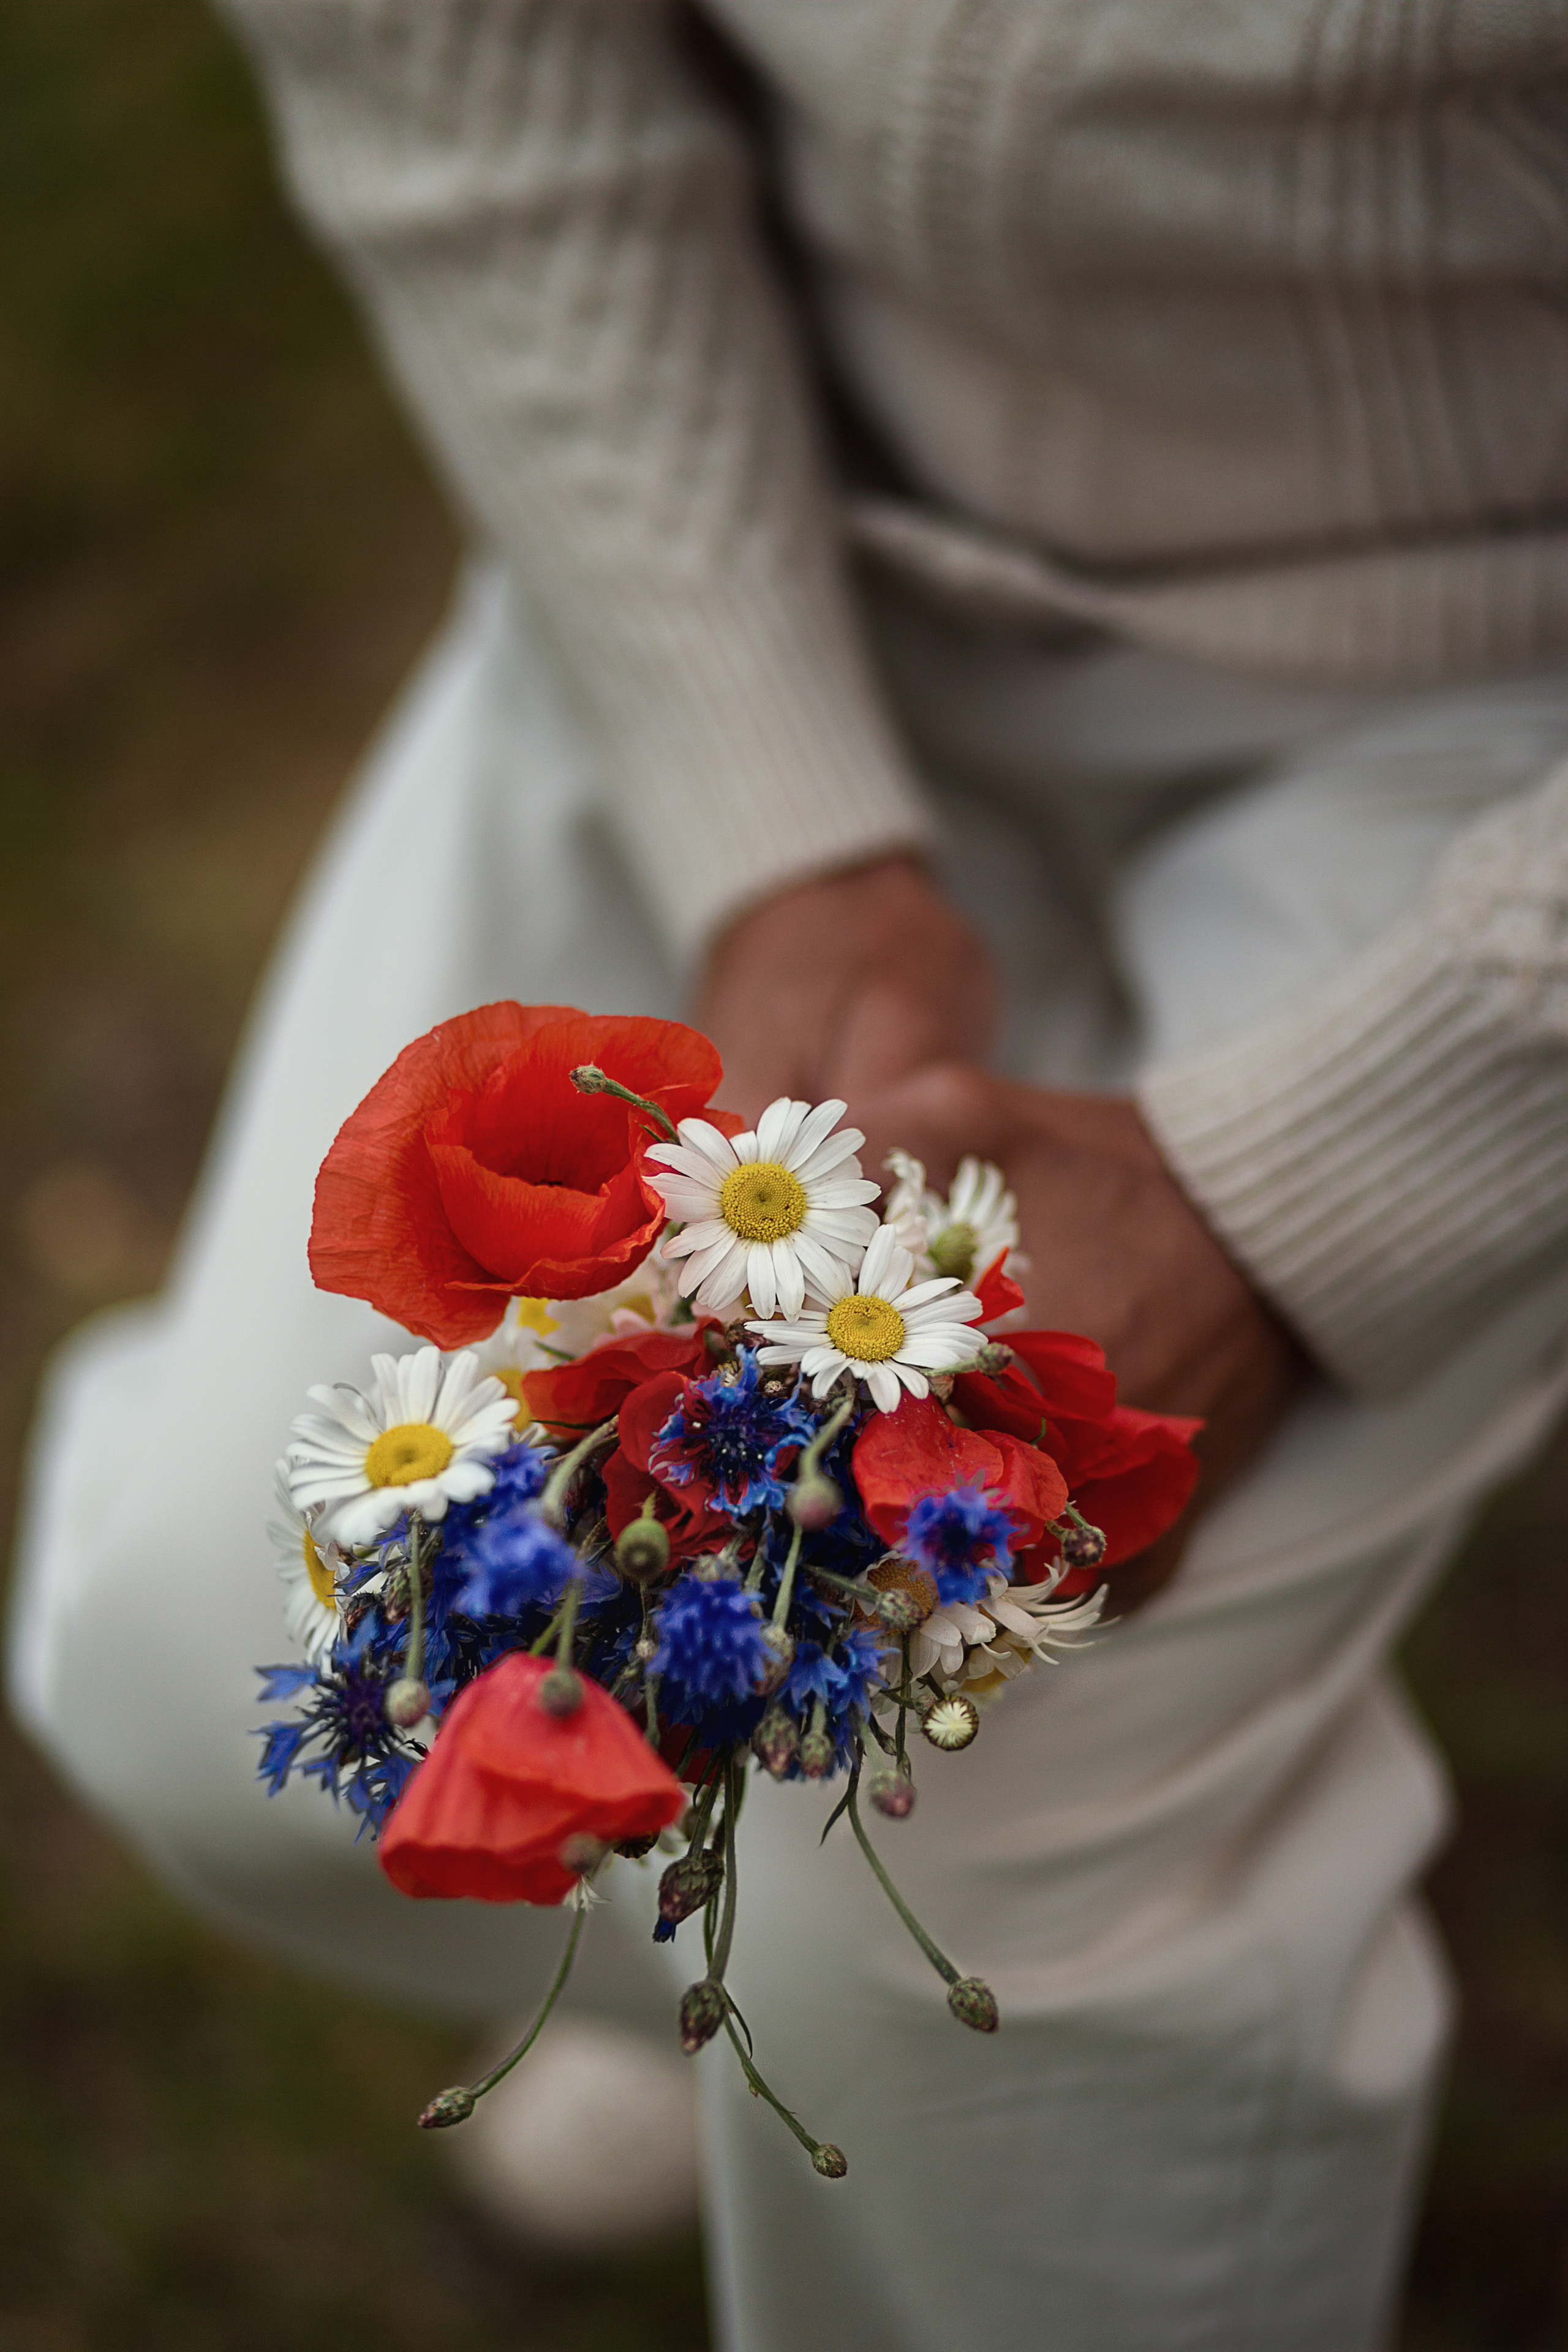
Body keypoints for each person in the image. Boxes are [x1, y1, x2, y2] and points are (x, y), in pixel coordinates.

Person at [12, 3, 1568, 2344]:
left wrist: (1315, 1174)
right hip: (749, 497)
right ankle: (692, 1978)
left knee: (954, 1895)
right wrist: (779, 836)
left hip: (1483, 697)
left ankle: (856, 2064)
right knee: (201, 1664)